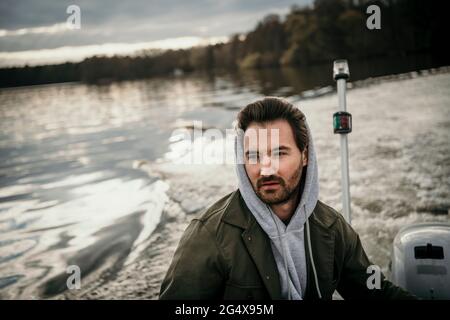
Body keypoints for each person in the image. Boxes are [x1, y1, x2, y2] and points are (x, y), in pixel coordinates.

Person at [159, 97, 415, 300]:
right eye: (253, 156)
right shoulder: (208, 237)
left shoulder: (332, 229)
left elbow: (375, 293)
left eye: (280, 153)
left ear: (305, 156)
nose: (266, 169)